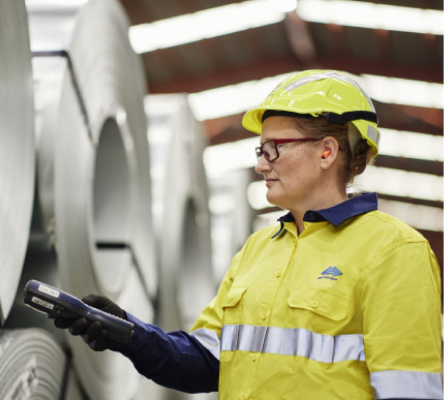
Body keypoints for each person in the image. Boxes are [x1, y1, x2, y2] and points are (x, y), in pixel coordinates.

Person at [53, 70, 443, 400]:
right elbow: (206, 361)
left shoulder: (394, 252)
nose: (260, 165)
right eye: (260, 150)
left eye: (274, 149)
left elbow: (409, 390)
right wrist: (127, 332)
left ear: (327, 152)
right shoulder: (258, 249)